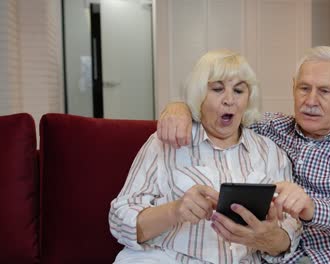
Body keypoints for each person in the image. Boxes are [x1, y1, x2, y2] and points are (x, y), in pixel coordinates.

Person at [157, 46, 330, 264]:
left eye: (324, 91)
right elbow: (221, 112)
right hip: (300, 257)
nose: (310, 101)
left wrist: (312, 207)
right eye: (304, 88)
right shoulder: (269, 128)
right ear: (293, 88)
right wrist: (178, 107)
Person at [109, 49, 301, 264]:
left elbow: (290, 230)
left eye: (238, 91)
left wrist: (270, 238)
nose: (229, 100)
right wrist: (174, 211)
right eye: (217, 89)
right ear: (199, 95)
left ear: (248, 99)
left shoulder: (271, 153)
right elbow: (119, 221)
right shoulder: (166, 142)